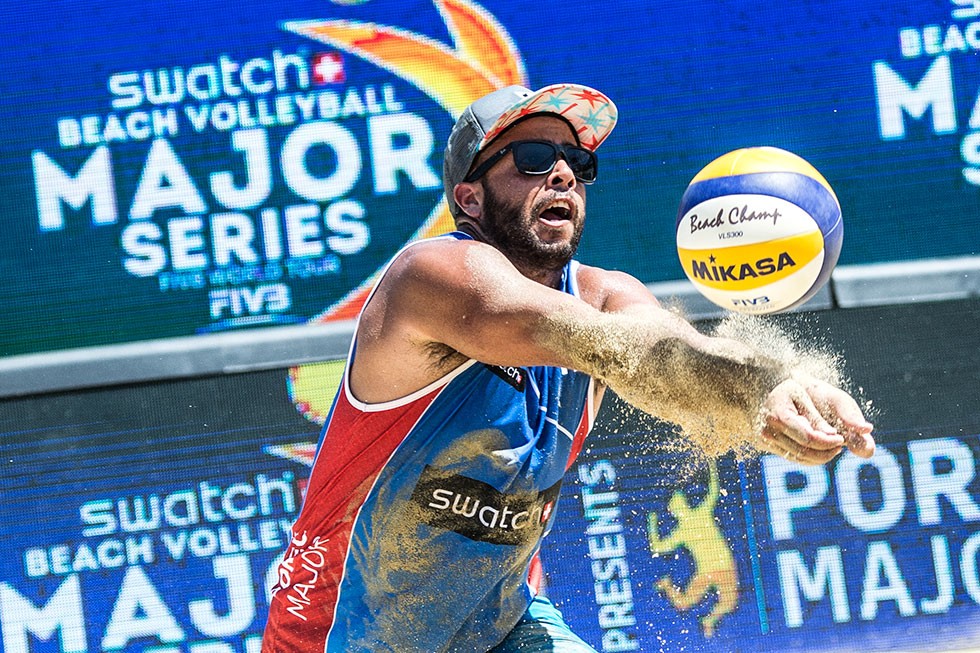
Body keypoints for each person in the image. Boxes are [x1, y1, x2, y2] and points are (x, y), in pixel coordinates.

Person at [261, 83, 875, 652]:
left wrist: (783, 384)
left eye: (578, 163)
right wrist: (755, 385)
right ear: (469, 197)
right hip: (343, 634)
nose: (562, 174)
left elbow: (669, 351)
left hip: (503, 624)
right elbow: (599, 343)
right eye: (531, 158)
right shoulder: (432, 277)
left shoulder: (604, 295)